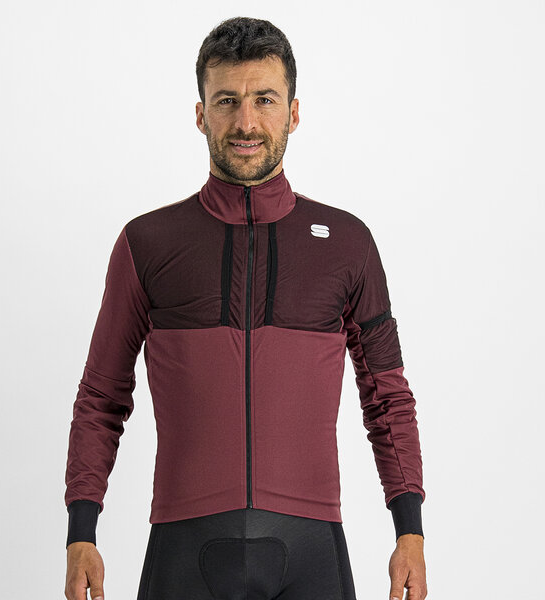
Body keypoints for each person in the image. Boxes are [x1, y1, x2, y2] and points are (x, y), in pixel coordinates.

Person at [64, 16, 427, 600]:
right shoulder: (146, 243)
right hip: (184, 549)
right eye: (227, 100)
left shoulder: (348, 243)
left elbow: (386, 395)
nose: (246, 122)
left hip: (312, 552)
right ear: (201, 113)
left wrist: (409, 529)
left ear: (294, 112)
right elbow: (101, 396)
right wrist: (81, 531)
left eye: (265, 99)